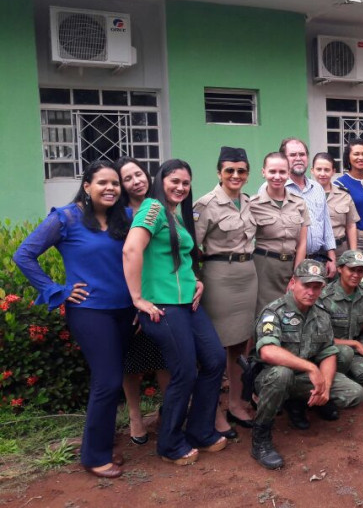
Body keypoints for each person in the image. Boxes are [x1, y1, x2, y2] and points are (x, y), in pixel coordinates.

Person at [14, 161, 135, 478]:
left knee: (109, 379)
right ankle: (94, 457)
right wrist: (56, 290)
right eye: (103, 183)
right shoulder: (65, 218)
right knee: (108, 380)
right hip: (90, 311)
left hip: (125, 310)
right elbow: (24, 255)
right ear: (87, 185)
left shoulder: (125, 218)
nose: (110, 188)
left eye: (115, 184)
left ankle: (102, 445)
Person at [123, 159, 227, 466]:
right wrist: (137, 298)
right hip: (163, 306)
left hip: (186, 303)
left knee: (214, 359)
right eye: (175, 181)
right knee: (183, 371)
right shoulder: (152, 209)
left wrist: (195, 280)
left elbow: (177, 257)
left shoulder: (173, 215)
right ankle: (169, 443)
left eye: (185, 183)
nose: (181, 187)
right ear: (160, 180)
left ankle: (199, 430)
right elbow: (131, 250)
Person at [250, 260, 363, 470]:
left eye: (317, 286)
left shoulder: (320, 313)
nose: (311, 292)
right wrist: (311, 368)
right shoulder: (274, 312)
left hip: (301, 379)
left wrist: (326, 386)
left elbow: (328, 351)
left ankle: (301, 404)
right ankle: (261, 438)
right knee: (282, 374)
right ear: (293, 283)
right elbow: (267, 351)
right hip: (271, 378)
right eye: (306, 285)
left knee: (354, 393)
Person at [193, 147, 259, 437]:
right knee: (215, 347)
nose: (236, 175)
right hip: (218, 276)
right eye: (229, 170)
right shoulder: (205, 204)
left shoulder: (248, 202)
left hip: (248, 275)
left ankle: (235, 403)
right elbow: (191, 248)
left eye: (241, 171)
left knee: (239, 343)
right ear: (219, 172)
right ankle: (213, 410)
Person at [114, 156, 170, 446]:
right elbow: (121, 257)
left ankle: (169, 411)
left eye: (138, 174)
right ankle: (135, 416)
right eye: (127, 178)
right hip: (130, 296)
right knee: (131, 362)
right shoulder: (118, 215)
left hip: (159, 294)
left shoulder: (160, 205)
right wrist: (134, 299)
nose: (136, 181)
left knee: (163, 357)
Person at [250, 152, 310, 312]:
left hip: (290, 265)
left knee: (290, 312)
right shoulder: (253, 204)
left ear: (288, 173)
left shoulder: (299, 203)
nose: (277, 176)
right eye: (272, 171)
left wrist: (297, 273)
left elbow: (302, 242)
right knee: (265, 313)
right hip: (264, 267)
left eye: (282, 172)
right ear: (263, 172)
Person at [319, 250, 363, 390]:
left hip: (351, 347)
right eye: (351, 270)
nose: (356, 275)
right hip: (329, 350)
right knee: (345, 352)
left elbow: (362, 320)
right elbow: (321, 339)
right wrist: (354, 344)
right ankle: (334, 385)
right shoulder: (325, 297)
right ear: (339, 268)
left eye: (360, 271)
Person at [278, 137, 337, 276]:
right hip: (287, 262)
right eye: (293, 155)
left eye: (302, 154)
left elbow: (326, 225)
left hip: (317, 260)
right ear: (283, 158)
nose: (298, 158)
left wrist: (332, 257)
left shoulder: (317, 188)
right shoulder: (274, 188)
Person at [335, 138, 363, 270]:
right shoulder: (340, 184)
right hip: (352, 240)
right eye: (356, 154)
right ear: (348, 158)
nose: (361, 157)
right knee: (354, 279)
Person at [312, 152, 360, 256]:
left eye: (327, 170)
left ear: (333, 171)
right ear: (312, 171)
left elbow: (351, 225)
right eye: (319, 169)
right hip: (314, 252)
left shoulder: (344, 195)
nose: (322, 173)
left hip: (340, 251)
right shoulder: (304, 196)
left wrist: (353, 252)